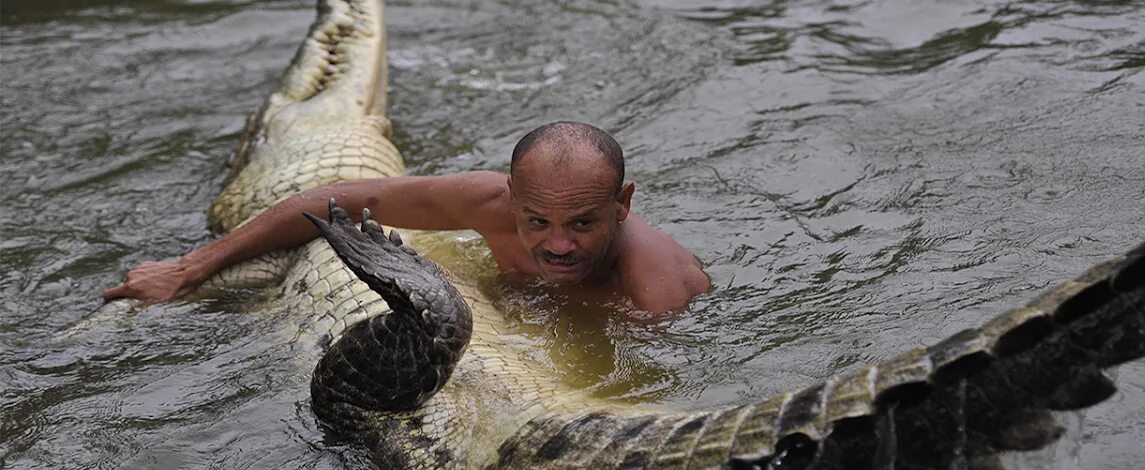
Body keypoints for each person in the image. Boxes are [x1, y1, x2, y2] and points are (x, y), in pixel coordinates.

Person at [103, 121, 710, 314]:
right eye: (536, 221)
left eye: (581, 223)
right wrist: (188, 269)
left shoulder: (660, 287)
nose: (557, 245)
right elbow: (324, 201)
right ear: (509, 197)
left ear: (622, 205)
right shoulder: (487, 202)